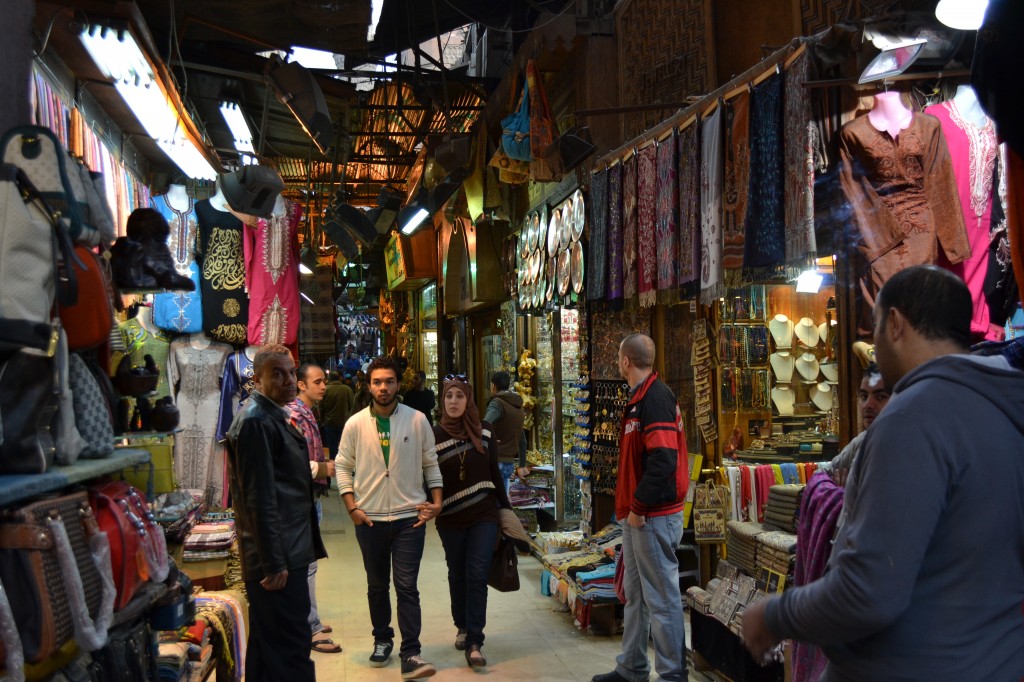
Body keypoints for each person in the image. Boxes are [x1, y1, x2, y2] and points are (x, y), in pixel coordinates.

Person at [742, 265, 1024, 680]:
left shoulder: (913, 418)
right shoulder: (1002, 409)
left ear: (894, 324)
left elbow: (868, 590)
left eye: (874, 328)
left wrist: (774, 615)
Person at [335, 356, 443, 680]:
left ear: (399, 384)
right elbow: (343, 466)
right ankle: (382, 638)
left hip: (410, 517)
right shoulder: (355, 424)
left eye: (389, 381)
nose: (383, 387)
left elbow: (430, 463)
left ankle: (411, 652)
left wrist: (436, 502)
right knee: (377, 585)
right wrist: (352, 508)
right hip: (370, 519)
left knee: (407, 585)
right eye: (377, 382)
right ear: (369, 386)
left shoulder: (417, 419)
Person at [225, 344, 326, 682]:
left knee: (270, 649)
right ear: (257, 378)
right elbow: (260, 499)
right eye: (276, 374)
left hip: (287, 549)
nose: (287, 380)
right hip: (278, 557)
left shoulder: (270, 415)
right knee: (290, 647)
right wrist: (274, 563)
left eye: (290, 373)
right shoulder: (256, 422)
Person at [593, 333, 689, 682]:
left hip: (653, 516)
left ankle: (672, 674)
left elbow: (663, 460)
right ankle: (631, 666)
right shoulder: (640, 398)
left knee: (662, 599)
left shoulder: (655, 399)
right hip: (638, 516)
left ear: (625, 362)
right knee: (635, 595)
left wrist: (639, 506)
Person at [432, 374, 514, 670]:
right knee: (458, 573)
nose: (454, 402)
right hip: (450, 518)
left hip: (484, 515)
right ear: (443, 401)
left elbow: (494, 473)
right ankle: (462, 624)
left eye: (460, 396)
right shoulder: (433, 435)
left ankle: (475, 640)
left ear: (469, 400)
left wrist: (506, 512)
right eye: (449, 396)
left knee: (477, 574)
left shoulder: (486, 432)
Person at [288, 363, 341, 655]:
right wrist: (323, 467)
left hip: (308, 495)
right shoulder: (295, 415)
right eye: (318, 381)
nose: (323, 386)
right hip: (300, 496)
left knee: (309, 564)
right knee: (306, 564)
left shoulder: (306, 413)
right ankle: (310, 626)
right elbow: (291, 462)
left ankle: (311, 620)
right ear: (301, 384)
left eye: (325, 381)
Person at [820, 362, 889, 487]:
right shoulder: (862, 442)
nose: (868, 404)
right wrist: (836, 495)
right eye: (864, 396)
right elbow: (819, 478)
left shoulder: (913, 447)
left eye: (880, 396)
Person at [483, 371, 527, 494]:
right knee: (503, 500)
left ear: (494, 386)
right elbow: (522, 440)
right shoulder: (517, 405)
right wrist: (522, 464)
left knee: (494, 503)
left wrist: (487, 442)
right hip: (508, 462)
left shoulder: (498, 403)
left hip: (496, 459)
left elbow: (486, 424)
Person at [320, 370, 354, 458]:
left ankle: (333, 464)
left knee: (332, 446)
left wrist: (322, 420)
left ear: (329, 379)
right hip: (345, 422)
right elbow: (352, 406)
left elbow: (321, 407)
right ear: (339, 378)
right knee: (346, 445)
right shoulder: (347, 389)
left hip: (329, 422)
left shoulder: (325, 390)